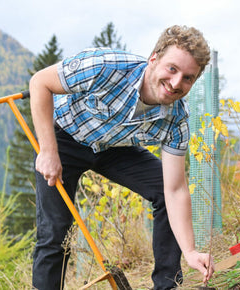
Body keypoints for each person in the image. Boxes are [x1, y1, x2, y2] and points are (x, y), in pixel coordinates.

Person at [29, 25, 215, 290]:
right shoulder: (105, 67)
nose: (176, 84)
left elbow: (175, 190)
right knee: (55, 231)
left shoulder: (177, 121)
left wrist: (191, 251)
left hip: (114, 146)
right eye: (172, 69)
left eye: (188, 78)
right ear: (153, 59)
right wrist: (48, 151)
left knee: (162, 189)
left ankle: (167, 284)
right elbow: (40, 82)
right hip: (64, 138)